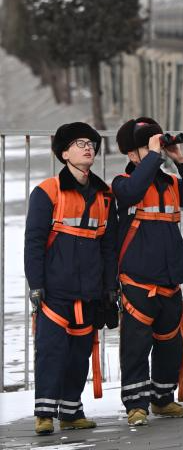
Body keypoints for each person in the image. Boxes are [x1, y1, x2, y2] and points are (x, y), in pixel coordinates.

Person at [113, 116, 183, 426]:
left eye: (155, 143)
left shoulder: (169, 184)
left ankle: (163, 400)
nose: (155, 149)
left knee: (170, 344)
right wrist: (153, 157)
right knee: (136, 346)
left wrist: (179, 159)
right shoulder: (121, 183)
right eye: (145, 146)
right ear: (131, 154)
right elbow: (133, 191)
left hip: (170, 277)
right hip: (137, 279)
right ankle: (136, 405)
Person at [24, 121, 118, 436]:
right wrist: (35, 285)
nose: (88, 147)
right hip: (55, 292)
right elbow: (34, 241)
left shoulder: (104, 195)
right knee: (51, 351)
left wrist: (109, 289)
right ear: (64, 153)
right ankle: (44, 414)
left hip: (89, 291)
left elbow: (108, 246)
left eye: (91, 143)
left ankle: (71, 411)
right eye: (80, 143)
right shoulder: (47, 191)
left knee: (80, 353)